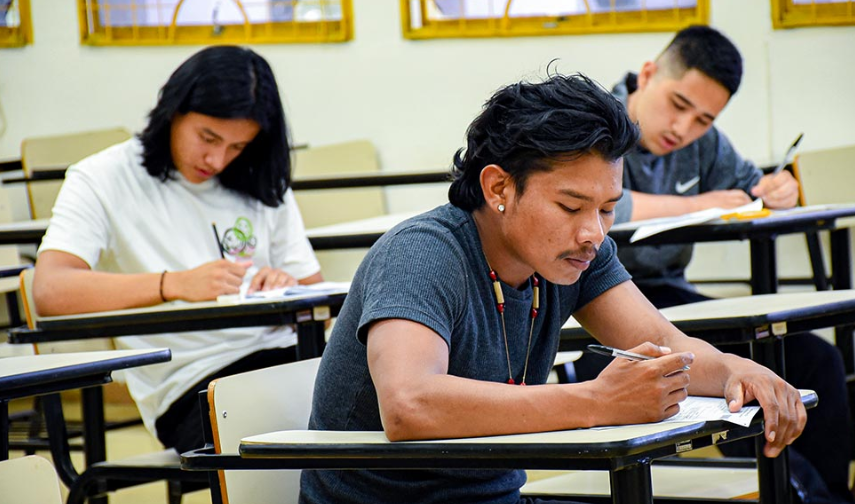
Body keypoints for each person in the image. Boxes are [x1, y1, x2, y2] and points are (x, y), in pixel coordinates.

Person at [300, 72, 805, 504]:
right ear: (499, 187)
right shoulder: (422, 253)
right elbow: (409, 405)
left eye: (608, 209)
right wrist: (597, 403)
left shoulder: (574, 255)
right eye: (571, 207)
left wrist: (740, 370)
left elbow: (667, 346)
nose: (594, 232)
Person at [570, 25, 852, 503]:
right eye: (678, 105)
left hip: (673, 299)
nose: (684, 129)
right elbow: (606, 204)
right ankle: (798, 491)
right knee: (730, 390)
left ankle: (831, 495)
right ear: (648, 74)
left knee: (816, 359)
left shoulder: (704, 143)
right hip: (600, 303)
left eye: (703, 119)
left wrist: (775, 189)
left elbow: (748, 186)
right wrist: (700, 203)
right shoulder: (597, 123)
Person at [33, 46, 322, 454]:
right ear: (172, 110)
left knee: (383, 382)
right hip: (193, 388)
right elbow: (50, 290)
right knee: (346, 413)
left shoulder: (257, 176)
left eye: (237, 147)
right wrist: (173, 285)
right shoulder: (103, 177)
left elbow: (317, 298)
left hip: (286, 358)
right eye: (208, 137)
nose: (217, 159)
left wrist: (283, 285)